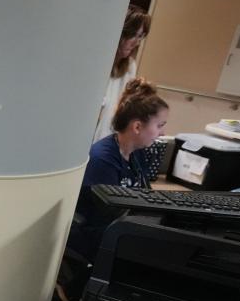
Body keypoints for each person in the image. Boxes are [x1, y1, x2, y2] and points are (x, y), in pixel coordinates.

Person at [68, 78, 169, 266]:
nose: (162, 133)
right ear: (137, 127)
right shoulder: (102, 159)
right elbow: (111, 214)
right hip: (96, 235)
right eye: (159, 126)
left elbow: (143, 195)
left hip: (118, 229)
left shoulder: (136, 154)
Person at [92, 4, 151, 144]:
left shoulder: (130, 67)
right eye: (133, 35)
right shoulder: (97, 62)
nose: (136, 43)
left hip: (106, 140)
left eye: (140, 37)